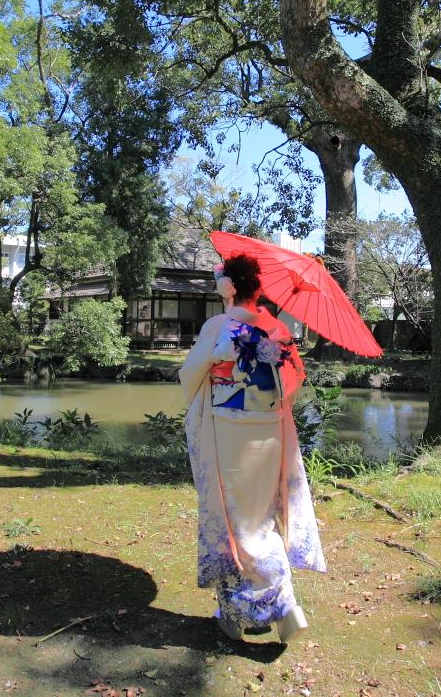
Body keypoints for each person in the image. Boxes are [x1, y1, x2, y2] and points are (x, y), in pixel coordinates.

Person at [179, 253, 326, 643]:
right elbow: (293, 380)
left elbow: (189, 376)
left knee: (233, 519)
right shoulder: (277, 328)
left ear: (228, 286)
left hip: (227, 430)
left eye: (219, 280)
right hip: (269, 428)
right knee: (262, 515)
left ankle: (235, 617)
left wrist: (216, 361)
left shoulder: (217, 326)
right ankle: (286, 608)